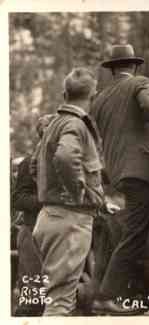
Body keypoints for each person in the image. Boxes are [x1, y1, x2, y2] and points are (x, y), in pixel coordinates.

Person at [90, 44, 149, 314]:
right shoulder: (140, 82)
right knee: (135, 234)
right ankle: (105, 296)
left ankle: (142, 289)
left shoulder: (100, 99)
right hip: (140, 169)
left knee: (138, 226)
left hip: (117, 172)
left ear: (113, 69)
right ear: (134, 66)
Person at [32, 68, 104, 316]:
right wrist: (78, 193)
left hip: (50, 217)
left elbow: (34, 165)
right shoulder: (75, 124)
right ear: (93, 94)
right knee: (61, 304)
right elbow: (64, 157)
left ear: (64, 94)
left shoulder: (54, 124)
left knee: (56, 300)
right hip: (69, 219)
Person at [12, 114, 54, 316]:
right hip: (31, 232)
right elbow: (18, 199)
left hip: (57, 234)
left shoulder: (64, 164)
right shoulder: (28, 163)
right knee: (32, 297)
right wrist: (45, 200)